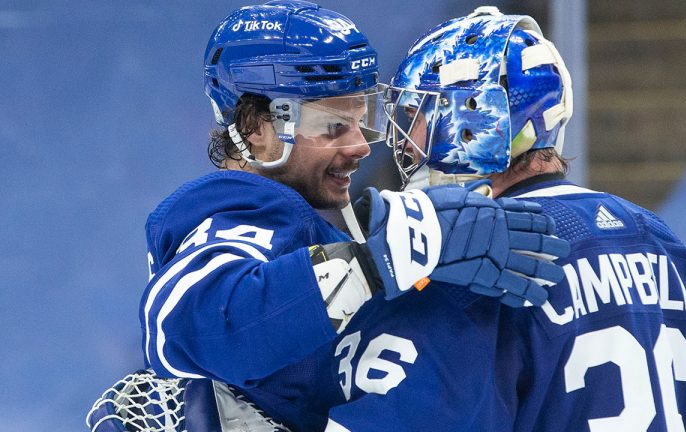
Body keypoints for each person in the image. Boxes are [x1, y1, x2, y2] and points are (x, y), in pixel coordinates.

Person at [129, 2, 570, 432]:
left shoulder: (302, 223)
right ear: (258, 131)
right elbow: (185, 330)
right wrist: (372, 262)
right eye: (334, 126)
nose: (361, 146)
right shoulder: (237, 213)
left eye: (362, 120)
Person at [372, 6, 686, 431]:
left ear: (477, 121)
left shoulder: (476, 262)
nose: (406, 143)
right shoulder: (660, 242)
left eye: (417, 118)